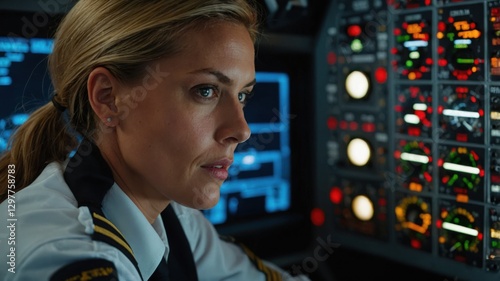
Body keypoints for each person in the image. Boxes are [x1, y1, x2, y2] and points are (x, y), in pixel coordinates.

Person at [0, 0, 311, 280]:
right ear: (109, 99)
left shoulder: (172, 215)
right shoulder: (72, 258)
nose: (242, 131)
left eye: (243, 94)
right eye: (206, 90)